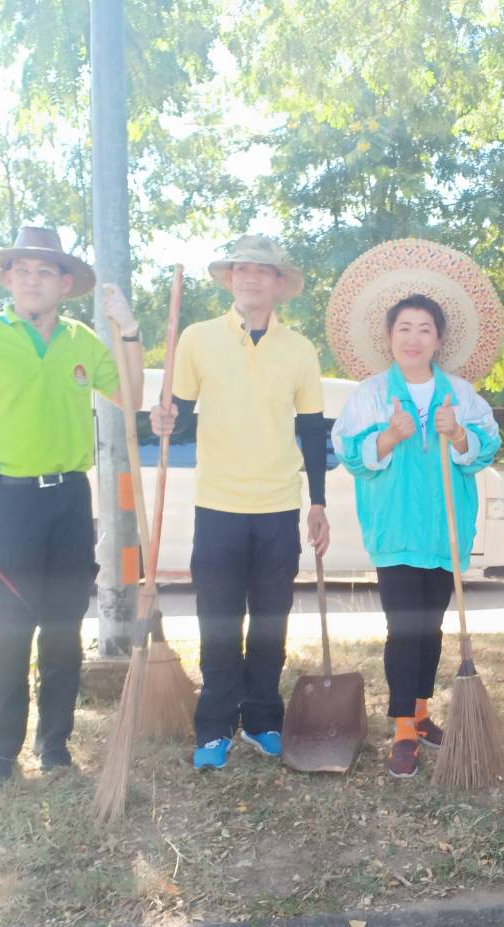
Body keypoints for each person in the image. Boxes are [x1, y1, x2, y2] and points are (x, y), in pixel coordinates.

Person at [0, 227, 143, 793]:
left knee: (62, 626)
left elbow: (128, 399)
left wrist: (128, 334)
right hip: (7, 498)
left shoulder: (83, 341)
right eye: (22, 270)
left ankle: (55, 743)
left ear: (63, 283)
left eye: (44, 271)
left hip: (69, 499)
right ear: (8, 278)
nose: (32, 280)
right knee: (7, 630)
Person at [149, 235, 330, 770]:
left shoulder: (300, 348)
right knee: (219, 621)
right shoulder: (198, 339)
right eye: (241, 269)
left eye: (263, 270)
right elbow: (175, 410)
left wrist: (317, 502)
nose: (250, 278)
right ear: (229, 280)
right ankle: (213, 728)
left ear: (279, 284)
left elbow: (313, 429)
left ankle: (263, 719)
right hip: (218, 505)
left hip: (278, 505)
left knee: (271, 620)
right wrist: (162, 419)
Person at [332, 294, 501, 778]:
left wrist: (459, 435)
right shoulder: (370, 395)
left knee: (431, 628)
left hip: (445, 531)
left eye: (424, 328)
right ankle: (403, 728)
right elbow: (351, 455)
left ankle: (423, 713)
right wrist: (387, 437)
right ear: (389, 338)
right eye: (404, 328)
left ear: (439, 340)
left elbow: (485, 449)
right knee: (403, 629)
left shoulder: (462, 395)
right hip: (396, 529)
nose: (413, 338)